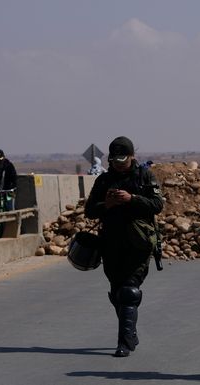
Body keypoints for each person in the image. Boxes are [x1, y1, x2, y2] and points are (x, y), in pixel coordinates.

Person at [84, 136, 163, 357]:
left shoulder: (144, 176)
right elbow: (89, 211)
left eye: (123, 159)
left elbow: (158, 205)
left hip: (138, 244)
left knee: (129, 291)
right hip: (111, 244)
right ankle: (130, 331)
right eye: (115, 160)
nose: (119, 164)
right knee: (118, 292)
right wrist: (106, 205)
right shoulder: (103, 181)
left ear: (132, 156)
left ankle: (124, 343)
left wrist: (132, 199)